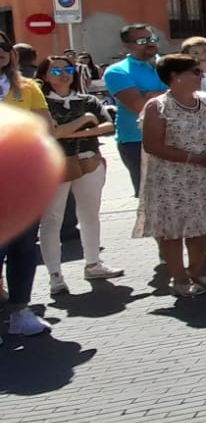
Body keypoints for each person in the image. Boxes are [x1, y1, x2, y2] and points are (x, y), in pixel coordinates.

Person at [134, 54, 206, 297]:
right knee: (172, 231)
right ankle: (179, 278)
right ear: (175, 76)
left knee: (200, 227)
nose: (201, 75)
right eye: (195, 71)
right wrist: (194, 158)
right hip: (169, 178)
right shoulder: (157, 106)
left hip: (202, 176)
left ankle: (196, 270)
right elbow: (153, 145)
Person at [37, 57, 123, 295]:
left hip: (89, 159)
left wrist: (68, 133)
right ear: (44, 75)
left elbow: (108, 126)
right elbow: (52, 134)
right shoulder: (42, 103)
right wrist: (84, 120)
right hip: (54, 164)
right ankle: (55, 275)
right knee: (52, 219)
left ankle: (93, 263)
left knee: (90, 213)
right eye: (56, 69)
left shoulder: (88, 99)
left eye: (68, 69)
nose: (64, 73)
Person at [1, 36, 55, 335]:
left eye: (3, 47)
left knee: (22, 247)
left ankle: (19, 312)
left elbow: (47, 129)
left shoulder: (28, 87)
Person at [103, 24, 166, 197]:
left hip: (178, 138)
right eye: (141, 40)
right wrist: (175, 93)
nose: (150, 43)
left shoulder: (170, 65)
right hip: (138, 141)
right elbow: (139, 106)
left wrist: (151, 95)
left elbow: (193, 94)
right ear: (127, 45)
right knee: (151, 199)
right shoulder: (117, 71)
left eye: (152, 39)